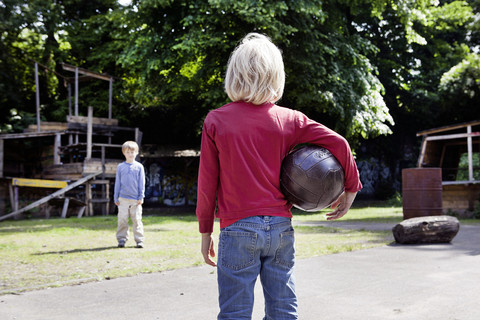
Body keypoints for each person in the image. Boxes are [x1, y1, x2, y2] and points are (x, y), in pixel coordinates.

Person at [196, 33, 362, 319]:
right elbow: (340, 143)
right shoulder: (290, 119)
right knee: (283, 308)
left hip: (237, 229)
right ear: (276, 76)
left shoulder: (216, 120)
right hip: (281, 229)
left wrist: (205, 232)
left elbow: (207, 184)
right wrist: (351, 188)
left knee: (234, 311)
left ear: (234, 75)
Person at [114, 141, 146, 248]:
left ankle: (139, 240)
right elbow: (117, 182)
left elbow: (142, 183)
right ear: (124, 153)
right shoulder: (120, 167)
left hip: (135, 200)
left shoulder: (139, 167)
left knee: (137, 220)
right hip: (122, 199)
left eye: (132, 152)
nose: (130, 154)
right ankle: (121, 239)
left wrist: (141, 197)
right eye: (128, 152)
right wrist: (116, 197)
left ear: (136, 153)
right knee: (122, 219)